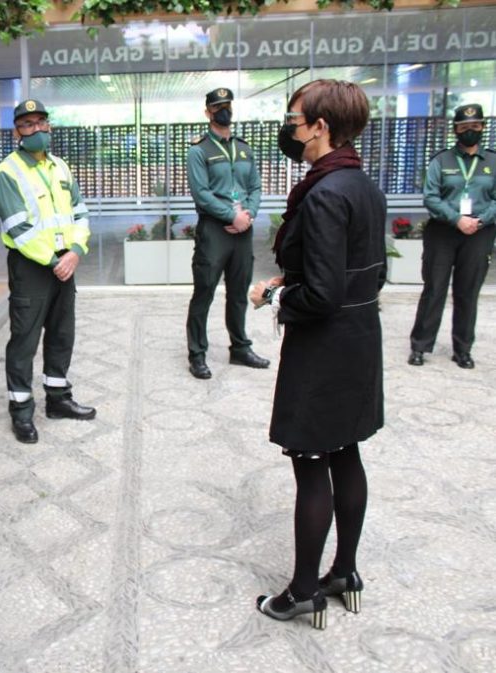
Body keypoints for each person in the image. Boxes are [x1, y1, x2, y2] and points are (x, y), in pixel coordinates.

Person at [250, 79, 385, 629]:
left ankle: (304, 591)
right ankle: (344, 572)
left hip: (324, 347)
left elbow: (322, 294)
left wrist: (276, 292)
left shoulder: (325, 192)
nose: (290, 129)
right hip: (359, 338)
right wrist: (297, 274)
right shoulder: (361, 185)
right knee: (346, 453)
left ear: (320, 126)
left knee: (311, 465)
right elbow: (354, 271)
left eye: (294, 119)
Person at [0, 99, 96, 444]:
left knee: (62, 334)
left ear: (49, 125)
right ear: (16, 132)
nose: (36, 130)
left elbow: (80, 213)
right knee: (25, 340)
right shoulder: (7, 172)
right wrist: (56, 261)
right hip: (32, 267)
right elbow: (18, 229)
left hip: (66, 263)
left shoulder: (61, 167)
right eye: (27, 125)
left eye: (41, 122)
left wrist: (77, 251)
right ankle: (21, 412)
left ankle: (58, 399)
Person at [185, 88, 270, 379]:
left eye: (227, 105)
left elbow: (256, 188)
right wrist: (231, 215)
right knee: (204, 293)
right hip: (215, 231)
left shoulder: (245, 148)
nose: (224, 111)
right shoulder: (198, 150)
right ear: (208, 112)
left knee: (238, 294)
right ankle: (197, 354)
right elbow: (201, 194)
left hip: (242, 230)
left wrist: (249, 214)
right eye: (217, 106)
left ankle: (240, 348)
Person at [408, 104, 496, 369]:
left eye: (475, 126)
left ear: (483, 127)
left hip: (480, 233)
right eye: (464, 127)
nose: (470, 131)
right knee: (434, 288)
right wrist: (457, 219)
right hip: (444, 231)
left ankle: (463, 349)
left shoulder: (492, 161)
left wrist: (480, 220)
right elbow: (431, 196)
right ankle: (420, 346)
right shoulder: (441, 160)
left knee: (468, 291)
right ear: (455, 129)